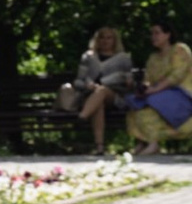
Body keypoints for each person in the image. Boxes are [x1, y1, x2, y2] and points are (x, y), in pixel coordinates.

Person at [57, 27, 136, 152]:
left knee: (102, 91)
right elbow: (78, 81)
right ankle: (99, 146)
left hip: (114, 96)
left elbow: (129, 81)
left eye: (109, 38)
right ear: (97, 39)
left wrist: (128, 82)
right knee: (98, 102)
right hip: (89, 95)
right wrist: (86, 85)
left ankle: (82, 117)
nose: (105, 41)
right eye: (102, 37)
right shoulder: (88, 57)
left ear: (115, 40)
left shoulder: (123, 59)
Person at [129, 22, 192, 155]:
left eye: (157, 33)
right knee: (134, 103)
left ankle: (153, 143)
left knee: (150, 106)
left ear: (168, 35)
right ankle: (143, 141)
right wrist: (145, 87)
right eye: (152, 33)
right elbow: (148, 79)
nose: (153, 36)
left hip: (182, 93)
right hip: (160, 93)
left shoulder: (179, 49)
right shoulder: (153, 58)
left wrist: (154, 90)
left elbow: (176, 76)